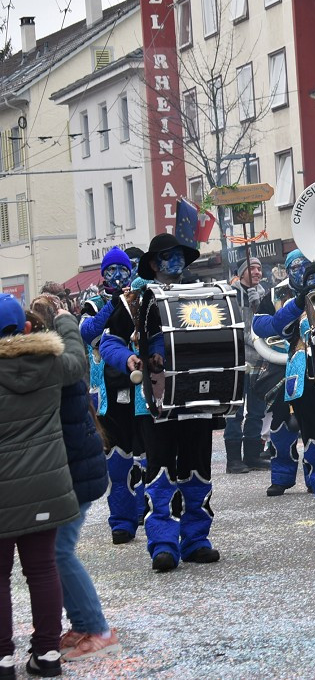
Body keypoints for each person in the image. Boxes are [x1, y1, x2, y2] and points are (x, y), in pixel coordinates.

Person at [100, 233, 221, 571]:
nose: (176, 262)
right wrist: (129, 360)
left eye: (180, 255)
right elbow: (109, 343)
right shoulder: (136, 300)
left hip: (197, 393)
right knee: (161, 468)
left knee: (198, 468)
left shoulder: (202, 296)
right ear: (154, 264)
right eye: (168, 256)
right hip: (156, 398)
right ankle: (163, 543)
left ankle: (196, 539)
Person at [26, 299, 119, 661]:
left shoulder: (55, 364)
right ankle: (83, 622)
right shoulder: (57, 358)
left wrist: (67, 319)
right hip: (75, 469)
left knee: (58, 551)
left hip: (76, 471)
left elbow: (77, 353)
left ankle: (98, 629)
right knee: (55, 551)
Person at [0, 293, 83, 677]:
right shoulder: (49, 363)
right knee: (43, 569)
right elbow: (79, 361)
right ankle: (47, 654)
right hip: (46, 485)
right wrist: (65, 319)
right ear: (28, 327)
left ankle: (2, 658)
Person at [79, 247, 148, 545]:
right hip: (108, 393)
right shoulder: (93, 304)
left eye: (123, 269)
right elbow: (91, 334)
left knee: (145, 454)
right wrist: (118, 303)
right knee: (117, 461)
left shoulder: (142, 298)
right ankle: (121, 522)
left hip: (141, 390)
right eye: (111, 271)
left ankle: (146, 509)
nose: (118, 275)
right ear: (103, 274)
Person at [253, 249, 315, 498]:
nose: (300, 271)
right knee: (280, 425)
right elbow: (259, 324)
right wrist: (283, 321)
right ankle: (281, 477)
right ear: (287, 270)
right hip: (283, 366)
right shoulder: (275, 294)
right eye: (295, 266)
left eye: (305, 266)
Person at [223, 256, 272, 474]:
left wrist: (260, 305)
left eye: (259, 268)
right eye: (251, 268)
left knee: (257, 411)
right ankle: (233, 459)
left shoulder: (265, 294)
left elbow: (271, 324)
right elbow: (232, 328)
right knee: (234, 410)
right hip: (236, 360)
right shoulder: (229, 295)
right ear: (241, 273)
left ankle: (252, 455)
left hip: (260, 360)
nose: (256, 272)